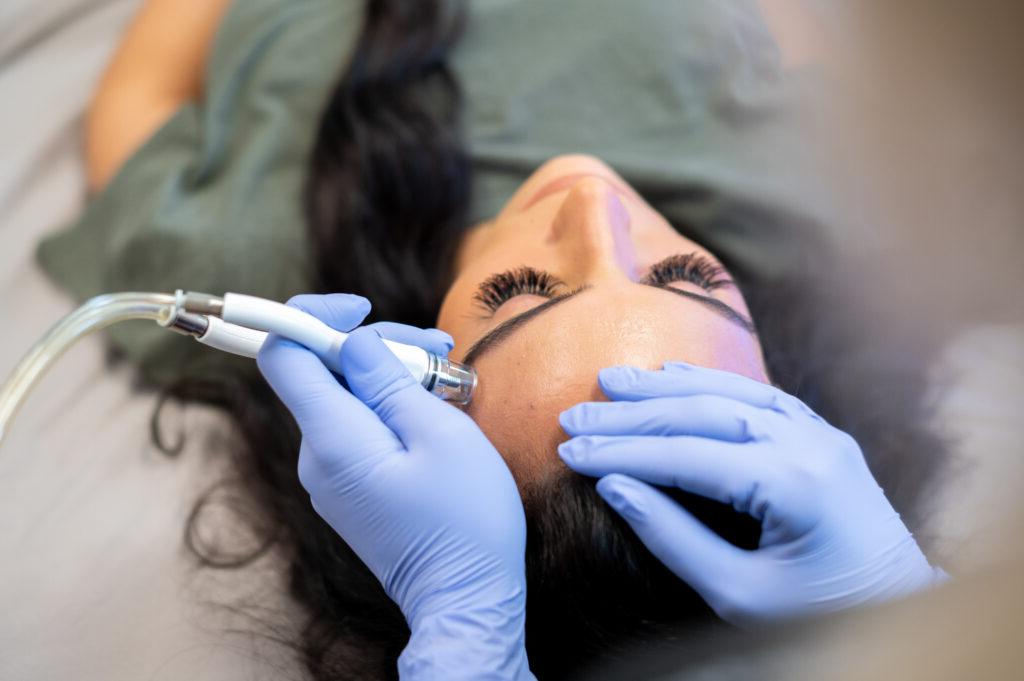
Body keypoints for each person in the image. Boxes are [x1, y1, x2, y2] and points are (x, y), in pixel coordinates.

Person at [36, 0, 951, 678]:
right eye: (687, 276)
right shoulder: (829, 206)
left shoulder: (255, 256)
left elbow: (146, 87)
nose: (595, 200)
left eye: (521, 293)